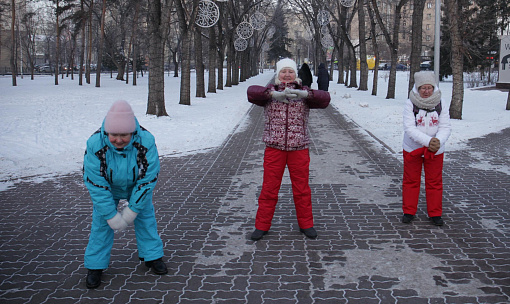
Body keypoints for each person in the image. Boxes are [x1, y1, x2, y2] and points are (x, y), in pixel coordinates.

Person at [83, 100, 167, 289]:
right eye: (114, 135)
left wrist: (132, 211)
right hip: (107, 187)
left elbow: (148, 178)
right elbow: (95, 183)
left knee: (146, 219)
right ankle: (95, 266)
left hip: (136, 185)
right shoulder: (95, 143)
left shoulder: (146, 140)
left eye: (124, 135)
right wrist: (111, 216)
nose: (119, 140)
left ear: (133, 132)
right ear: (107, 132)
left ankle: (153, 256)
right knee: (101, 224)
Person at [247, 58, 331, 241]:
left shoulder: (303, 93)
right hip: (274, 148)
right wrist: (271, 95)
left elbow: (325, 99)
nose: (287, 75)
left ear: (296, 74)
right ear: (278, 74)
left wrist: (306, 95)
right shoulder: (270, 92)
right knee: (269, 189)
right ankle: (262, 225)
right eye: (283, 71)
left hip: (298, 148)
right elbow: (251, 92)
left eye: (290, 71)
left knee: (301, 189)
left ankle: (306, 224)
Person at [402, 71, 451, 226]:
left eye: (429, 87)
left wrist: (438, 141)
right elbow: (409, 128)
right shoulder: (410, 103)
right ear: (418, 87)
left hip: (435, 150)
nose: (426, 91)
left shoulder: (441, 102)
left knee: (434, 181)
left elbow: (445, 126)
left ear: (433, 87)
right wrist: (429, 141)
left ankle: (435, 213)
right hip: (413, 148)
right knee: (411, 180)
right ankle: (409, 211)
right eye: (423, 88)